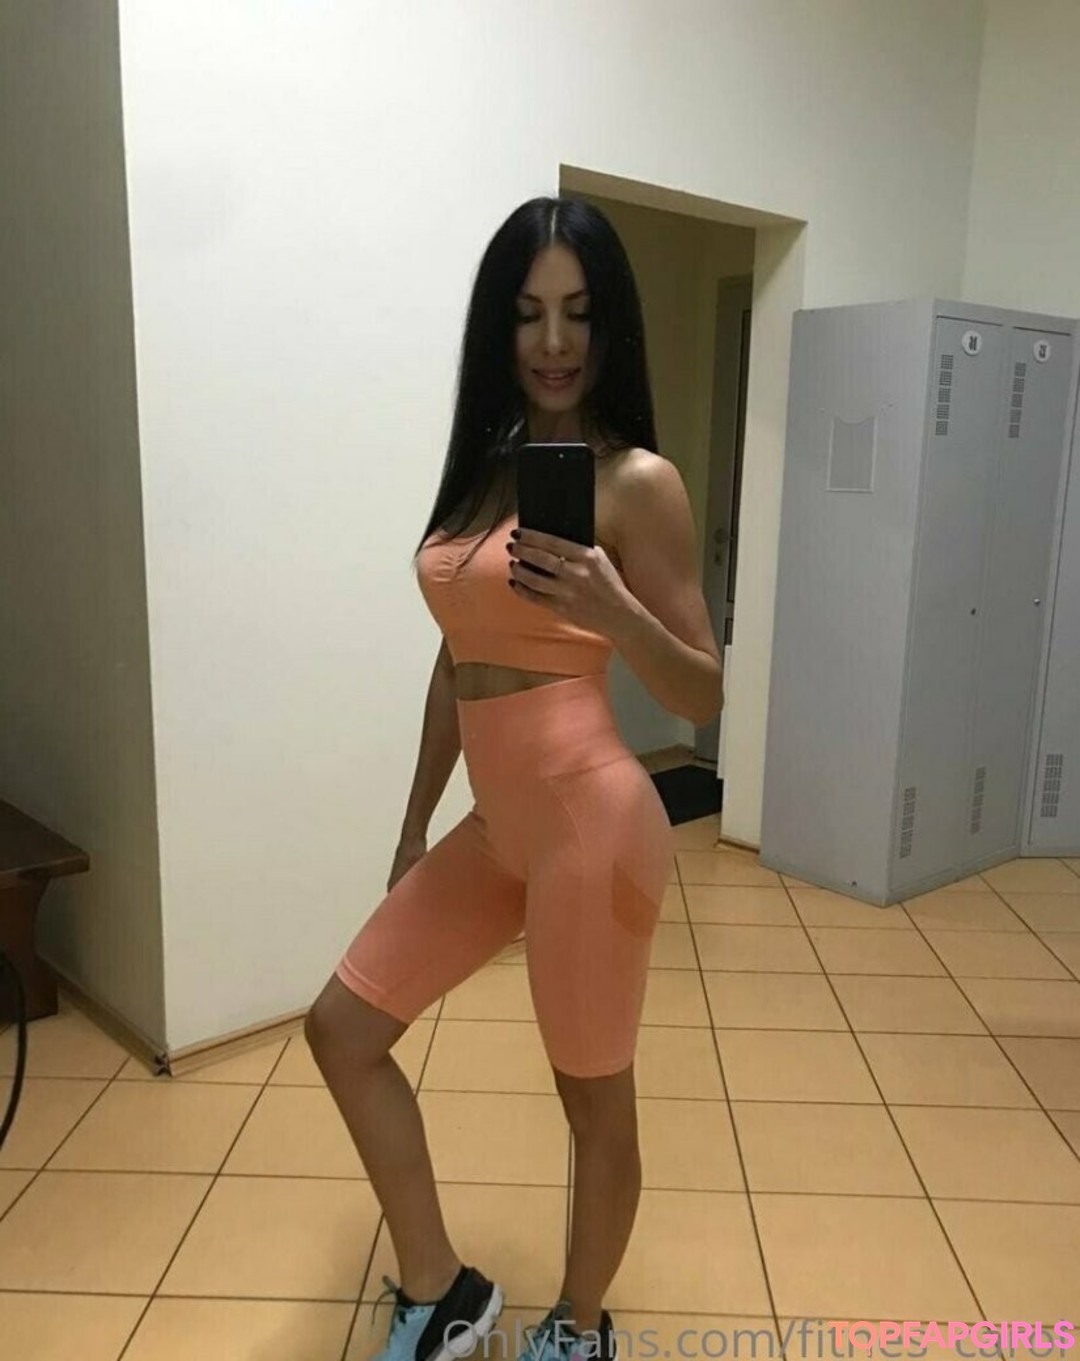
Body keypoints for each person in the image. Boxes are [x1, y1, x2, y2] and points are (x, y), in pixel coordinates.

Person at [305, 196, 724, 1361]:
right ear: (501, 325)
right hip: (497, 826)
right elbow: (458, 661)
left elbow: (702, 689)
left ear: (610, 324)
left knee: (591, 1098)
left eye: (578, 313)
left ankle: (579, 1330)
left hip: (593, 822)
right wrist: (413, 823)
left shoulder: (638, 481)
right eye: (530, 313)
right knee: (342, 1027)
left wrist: (612, 608)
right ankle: (442, 1289)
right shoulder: (487, 473)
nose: (553, 341)